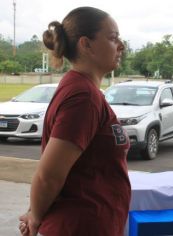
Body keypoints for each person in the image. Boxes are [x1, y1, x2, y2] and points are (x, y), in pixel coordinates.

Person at [18, 7, 131, 236]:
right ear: (86, 44)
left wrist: (34, 211)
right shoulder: (83, 97)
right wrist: (35, 217)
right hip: (78, 227)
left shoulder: (84, 90)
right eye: (112, 38)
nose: (121, 45)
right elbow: (48, 176)